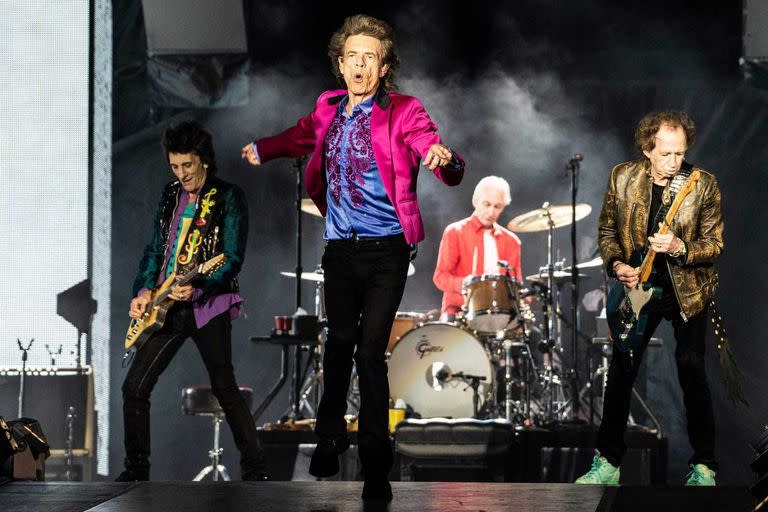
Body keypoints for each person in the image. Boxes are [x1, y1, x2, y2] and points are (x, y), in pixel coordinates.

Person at [241, 14, 464, 502]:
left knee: (368, 351)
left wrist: (442, 158)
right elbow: (301, 136)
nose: (360, 65)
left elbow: (430, 143)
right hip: (341, 249)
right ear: (340, 65)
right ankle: (328, 438)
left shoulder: (404, 109)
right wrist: (263, 148)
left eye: (371, 57)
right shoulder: (328, 107)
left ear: (384, 67)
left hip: (388, 251)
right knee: (338, 342)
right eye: (352, 57)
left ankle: (376, 465)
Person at [575, 110, 722, 486]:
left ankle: (704, 466)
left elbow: (714, 245)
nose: (675, 161)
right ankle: (608, 463)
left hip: (686, 289)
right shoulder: (622, 177)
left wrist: (679, 246)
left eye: (680, 153)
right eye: (667, 153)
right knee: (621, 372)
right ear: (647, 149)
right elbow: (607, 228)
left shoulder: (702, 184)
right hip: (638, 287)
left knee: (691, 370)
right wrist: (616, 264)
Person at [116, 120, 268, 482]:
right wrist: (142, 292)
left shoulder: (228, 197)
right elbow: (155, 250)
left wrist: (199, 286)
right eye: (174, 166)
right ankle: (136, 470)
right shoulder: (170, 196)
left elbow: (231, 257)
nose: (181, 174)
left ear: (204, 160)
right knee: (134, 387)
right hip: (165, 304)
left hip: (206, 303)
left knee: (224, 386)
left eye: (187, 165)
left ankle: (256, 471)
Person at [433, 176, 522, 321]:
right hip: (458, 312)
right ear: (475, 201)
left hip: (499, 315)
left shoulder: (512, 241)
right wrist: (470, 284)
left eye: (497, 206)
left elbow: (515, 284)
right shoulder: (455, 232)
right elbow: (440, 278)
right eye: (487, 204)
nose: (491, 212)